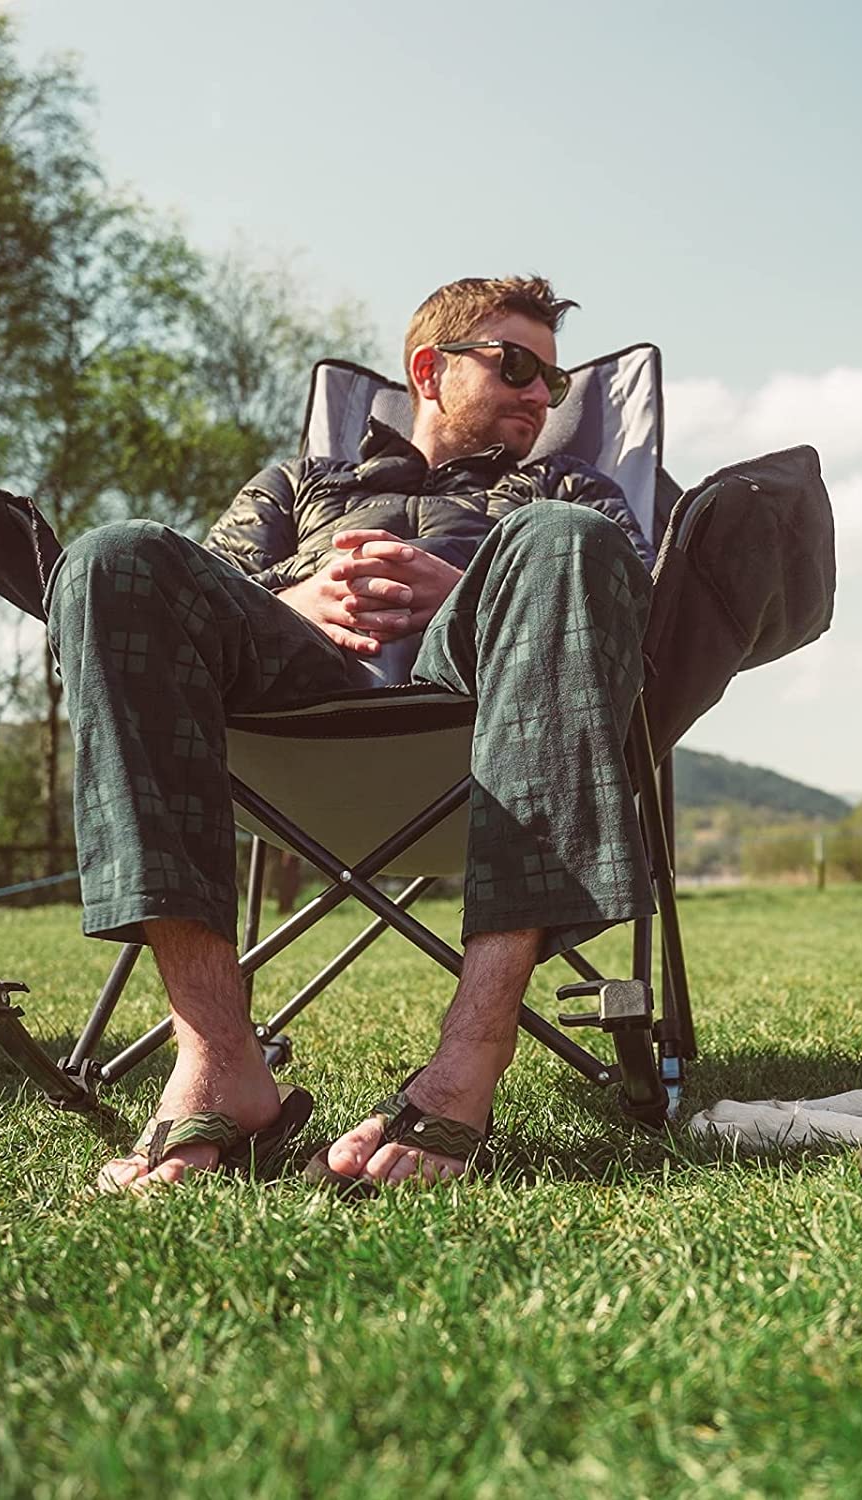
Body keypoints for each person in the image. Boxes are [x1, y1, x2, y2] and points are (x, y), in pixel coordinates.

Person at [46, 276, 657, 1194]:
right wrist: (290, 600)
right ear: (430, 369)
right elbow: (197, 604)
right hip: (287, 719)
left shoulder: (568, 490)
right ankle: (216, 1059)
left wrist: (465, 598)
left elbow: (632, 625)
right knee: (111, 558)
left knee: (564, 539)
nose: (541, 396)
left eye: (556, 384)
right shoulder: (298, 486)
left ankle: (471, 1061)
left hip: (480, 717)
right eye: (518, 366)